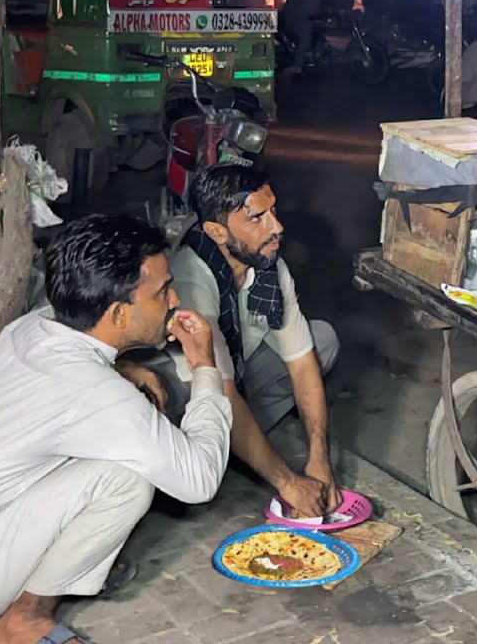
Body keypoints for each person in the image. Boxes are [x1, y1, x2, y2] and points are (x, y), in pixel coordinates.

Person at [0, 215, 231, 644]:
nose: (174, 300)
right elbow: (199, 481)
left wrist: (124, 366)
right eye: (162, 291)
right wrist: (205, 365)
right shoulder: (97, 396)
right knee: (127, 481)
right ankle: (19, 624)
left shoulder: (32, 328)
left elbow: (82, 367)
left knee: (104, 455)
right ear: (118, 313)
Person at [132, 165, 343, 519]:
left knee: (322, 341)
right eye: (257, 218)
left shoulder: (266, 264)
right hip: (196, 386)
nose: (277, 227)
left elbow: (302, 361)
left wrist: (319, 460)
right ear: (217, 231)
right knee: (159, 400)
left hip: (238, 370)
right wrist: (288, 482)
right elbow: (221, 389)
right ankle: (212, 449)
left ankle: (238, 445)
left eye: (273, 211)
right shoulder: (191, 278)